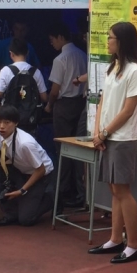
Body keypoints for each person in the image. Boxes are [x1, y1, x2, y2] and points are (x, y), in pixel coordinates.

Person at [88, 21, 137, 263]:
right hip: (108, 136)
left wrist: (105, 132)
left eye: (110, 37)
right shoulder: (112, 67)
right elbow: (103, 102)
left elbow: (128, 110)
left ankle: (133, 245)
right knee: (113, 189)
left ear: (121, 41)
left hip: (123, 138)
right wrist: (97, 131)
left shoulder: (135, 71)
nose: (107, 41)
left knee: (122, 190)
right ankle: (115, 238)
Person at [0, 105, 55, 227]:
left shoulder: (25, 143)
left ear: (16, 123)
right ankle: (11, 213)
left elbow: (41, 170)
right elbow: (3, 156)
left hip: (39, 175)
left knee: (26, 219)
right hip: (19, 169)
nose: (1, 126)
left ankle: (52, 200)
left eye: (7, 122)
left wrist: (21, 190)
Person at [45, 23, 88, 207]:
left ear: (61, 37)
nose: (52, 43)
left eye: (53, 39)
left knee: (62, 148)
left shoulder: (60, 59)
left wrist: (49, 105)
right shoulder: (83, 54)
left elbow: (55, 90)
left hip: (63, 105)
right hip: (80, 103)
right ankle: (79, 190)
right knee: (78, 148)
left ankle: (63, 190)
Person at [0, 38, 48, 106]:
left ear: (11, 54)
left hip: (11, 114)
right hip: (31, 115)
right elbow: (44, 98)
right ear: (27, 53)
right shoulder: (36, 72)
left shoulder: (5, 71)